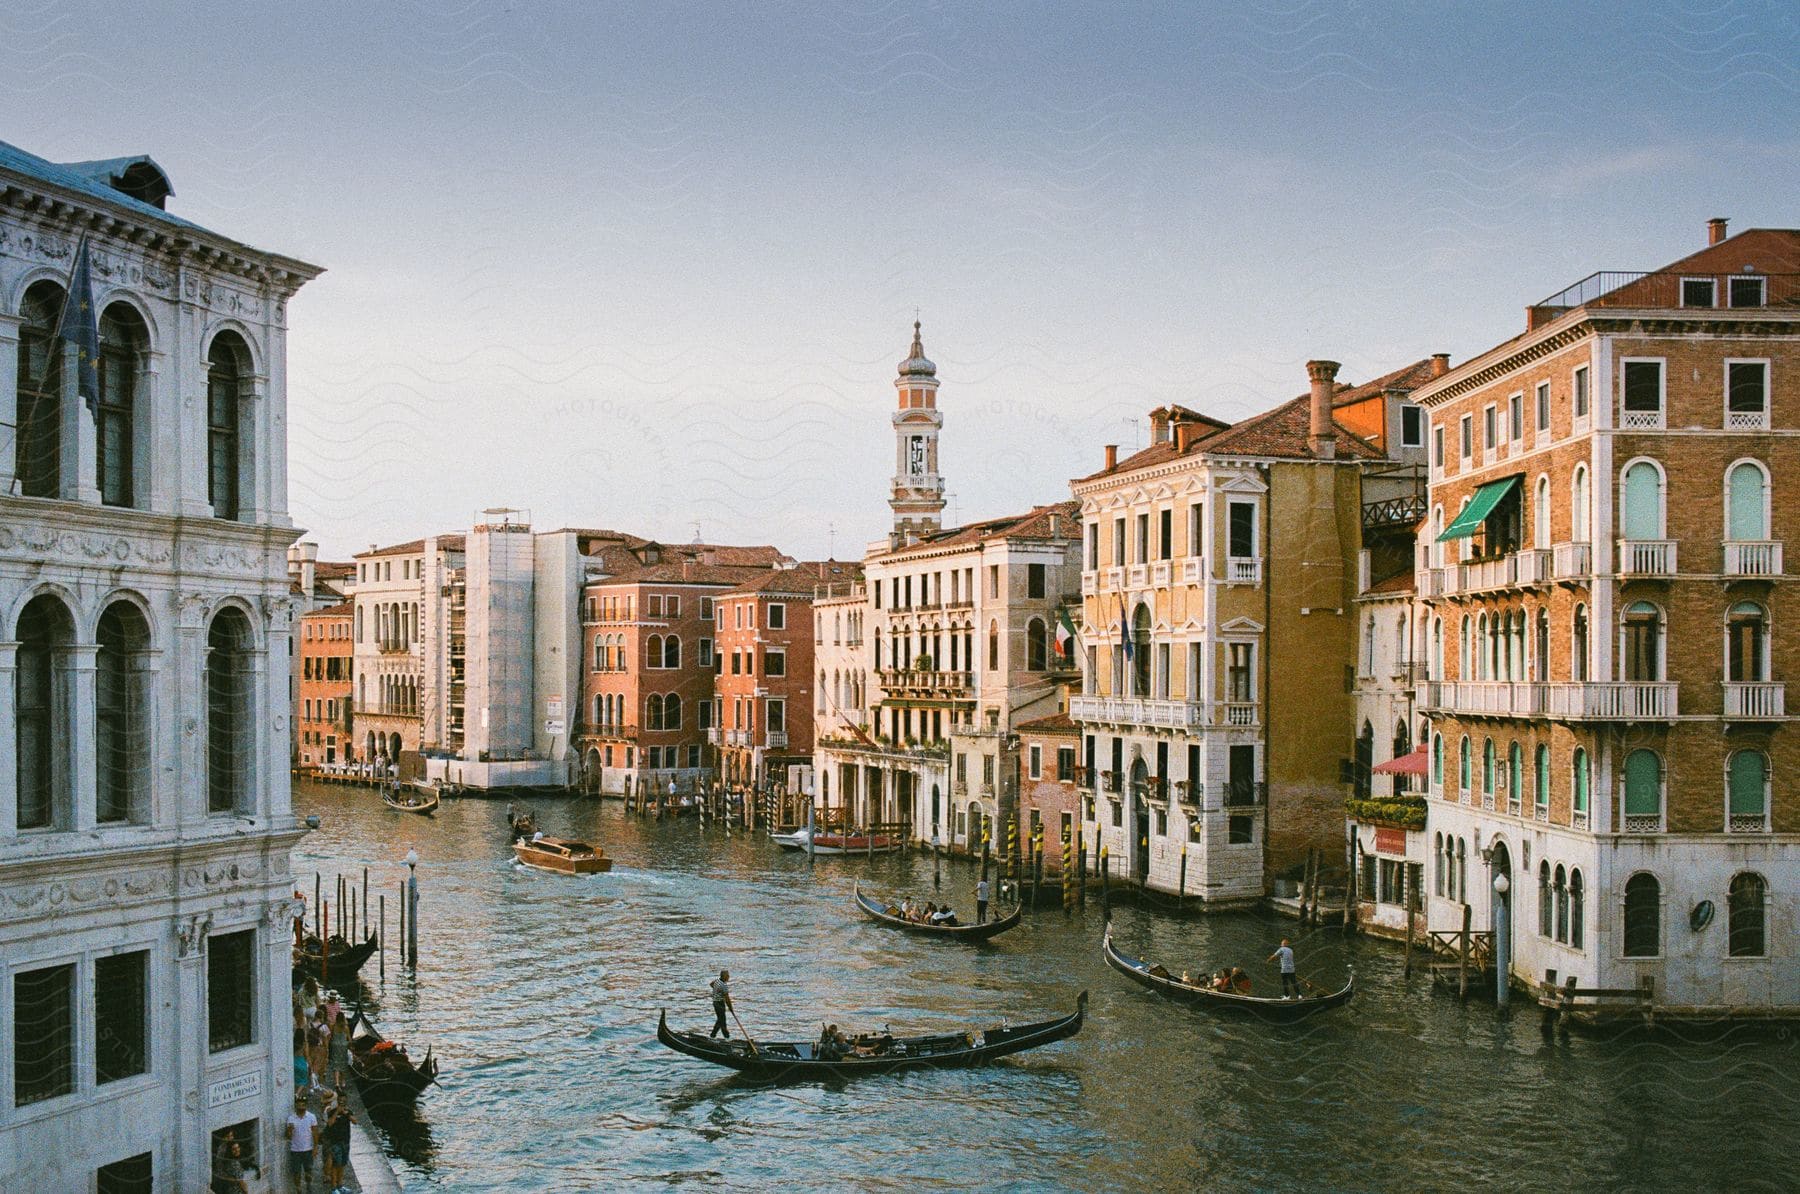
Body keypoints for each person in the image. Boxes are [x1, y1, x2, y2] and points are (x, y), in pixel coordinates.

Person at [286, 1094, 319, 1190]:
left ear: (306, 1105)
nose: (301, 1107)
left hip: (308, 1149)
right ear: (296, 1105)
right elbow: (288, 1136)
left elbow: (315, 1132)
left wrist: (315, 1147)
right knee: (296, 1172)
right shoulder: (291, 1118)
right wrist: (289, 1130)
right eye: (299, 1105)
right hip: (295, 1150)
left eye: (303, 1104)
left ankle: (309, 1186)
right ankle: (298, 1189)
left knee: (308, 1171)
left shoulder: (311, 1117)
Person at [321, 1095, 354, 1191]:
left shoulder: (348, 1112)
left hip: (345, 1142)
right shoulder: (331, 1112)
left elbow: (355, 1121)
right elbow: (330, 1123)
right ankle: (334, 1186)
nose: (342, 1102)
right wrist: (337, 1112)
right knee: (335, 1165)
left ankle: (340, 1185)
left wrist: (346, 1114)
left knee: (342, 1164)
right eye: (340, 1101)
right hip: (335, 1142)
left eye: (344, 1101)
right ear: (337, 1101)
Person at [709, 969, 733, 1039]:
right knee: (722, 1021)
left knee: (720, 1020)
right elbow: (727, 999)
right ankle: (726, 1037)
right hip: (720, 1004)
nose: (729, 976)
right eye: (727, 975)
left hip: (715, 1003)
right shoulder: (724, 985)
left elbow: (711, 984)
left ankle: (713, 1035)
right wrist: (731, 1008)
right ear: (724, 976)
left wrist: (717, 991)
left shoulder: (717, 981)